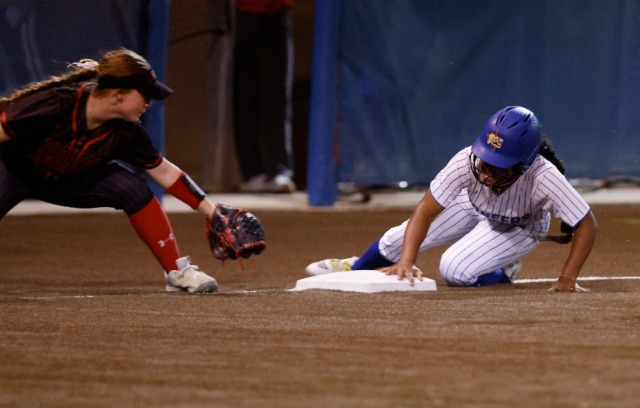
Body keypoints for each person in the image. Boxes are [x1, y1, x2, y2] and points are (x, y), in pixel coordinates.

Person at [0, 48, 225, 293]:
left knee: (133, 189)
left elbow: (165, 173)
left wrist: (213, 213)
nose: (149, 103)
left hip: (68, 183)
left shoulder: (126, 133)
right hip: (13, 172)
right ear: (119, 94)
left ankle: (177, 272)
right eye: (145, 95)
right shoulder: (58, 102)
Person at [305, 106, 598, 292]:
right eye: (486, 158)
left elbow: (587, 223)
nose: (487, 169)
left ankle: (503, 271)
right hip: (472, 206)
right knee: (397, 240)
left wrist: (567, 278)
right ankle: (357, 267)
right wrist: (407, 261)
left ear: (524, 163)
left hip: (519, 226)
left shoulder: (544, 177)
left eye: (499, 164)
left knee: (455, 271)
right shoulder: (465, 160)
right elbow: (424, 211)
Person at [233, 0, 296, 194]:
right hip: (242, 11)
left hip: (277, 10)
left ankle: (278, 170)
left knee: (276, 95)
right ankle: (254, 173)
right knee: (245, 96)